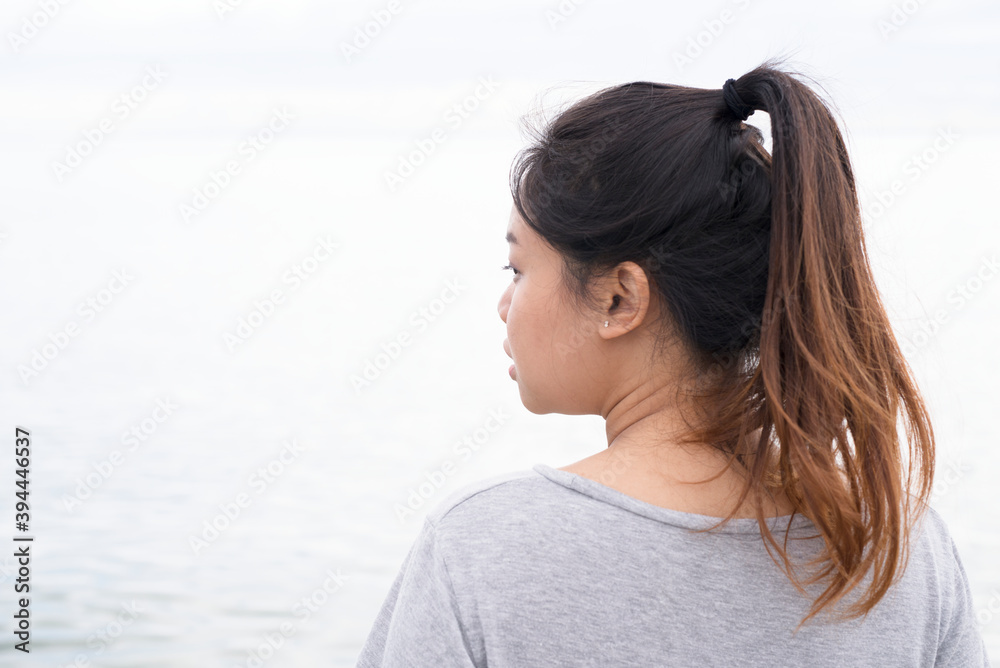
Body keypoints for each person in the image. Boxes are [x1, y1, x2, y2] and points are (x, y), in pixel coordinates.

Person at [355, 59, 992, 667]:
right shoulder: (898, 551)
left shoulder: (482, 550)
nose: (503, 304)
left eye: (517, 269)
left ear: (618, 297)